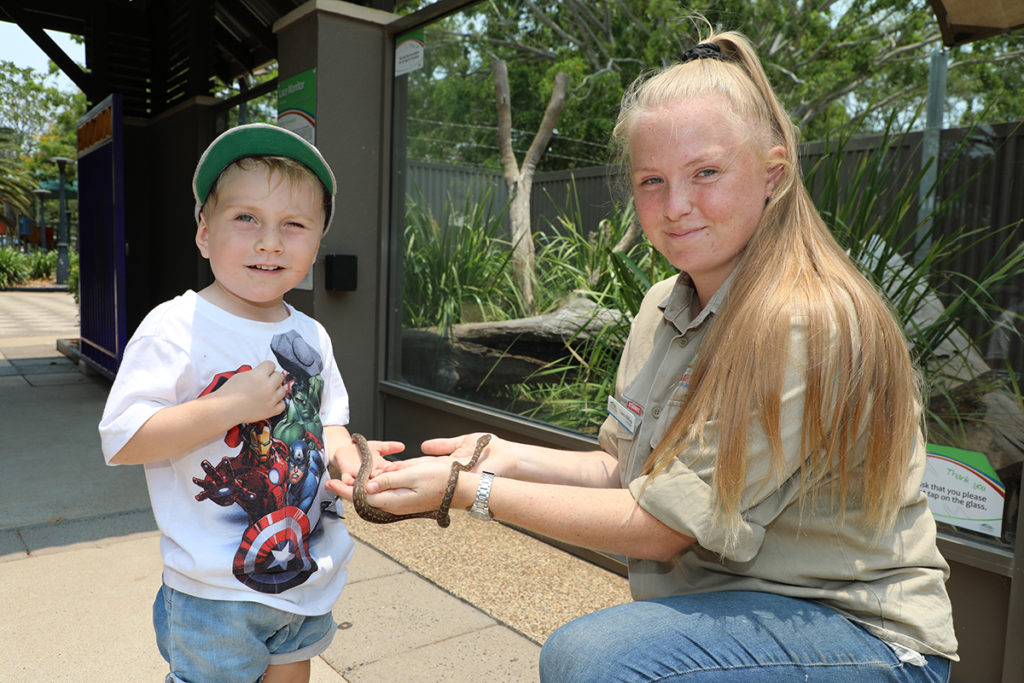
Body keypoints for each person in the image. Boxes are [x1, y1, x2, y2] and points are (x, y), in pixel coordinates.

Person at [329, 30, 958, 681]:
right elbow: (625, 472)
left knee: (597, 658)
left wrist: (470, 490)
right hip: (742, 613)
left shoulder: (806, 318)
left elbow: (661, 527)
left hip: (860, 635)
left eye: (706, 173)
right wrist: (500, 453)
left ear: (773, 175)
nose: (677, 206)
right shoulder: (665, 301)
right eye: (651, 181)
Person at [99, 123, 388, 683]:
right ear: (204, 233)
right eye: (246, 218)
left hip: (306, 573)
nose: (270, 241)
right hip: (213, 594)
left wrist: (351, 461)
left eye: (294, 225)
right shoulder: (175, 327)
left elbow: (327, 424)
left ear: (316, 242)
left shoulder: (312, 336)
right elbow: (125, 439)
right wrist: (231, 406)